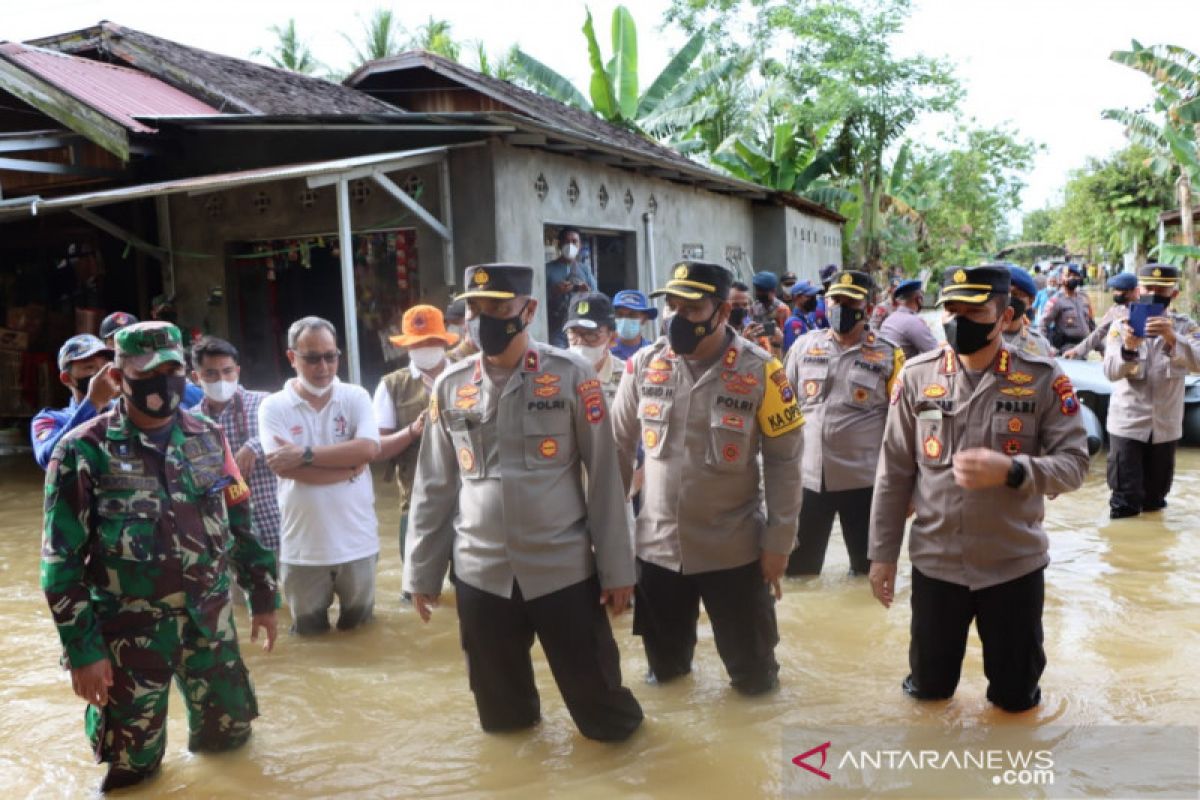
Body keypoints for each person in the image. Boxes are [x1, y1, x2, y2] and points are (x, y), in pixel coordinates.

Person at [405, 264, 643, 741]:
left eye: (497, 306)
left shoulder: (571, 375)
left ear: (528, 310)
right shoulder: (451, 386)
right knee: (503, 720)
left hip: (563, 570)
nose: (481, 319)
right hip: (480, 573)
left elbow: (603, 479)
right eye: (473, 308)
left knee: (603, 711)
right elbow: (433, 485)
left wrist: (619, 572)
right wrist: (421, 572)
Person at [41, 321, 279, 793]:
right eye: (148, 370)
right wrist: (83, 651)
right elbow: (60, 564)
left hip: (211, 626)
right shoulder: (81, 451)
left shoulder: (209, 437)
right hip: (130, 640)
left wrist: (263, 593)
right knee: (134, 771)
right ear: (120, 374)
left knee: (230, 747)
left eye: (172, 369)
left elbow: (238, 520)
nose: (163, 381)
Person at [869, 266, 1089, 713]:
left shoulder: (1043, 378)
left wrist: (1012, 470)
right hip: (936, 565)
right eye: (951, 308)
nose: (959, 319)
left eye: (975, 309)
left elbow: (1075, 465)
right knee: (928, 695)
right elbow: (893, 472)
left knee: (1015, 701)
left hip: (1013, 566)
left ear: (1005, 315)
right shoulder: (915, 377)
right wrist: (882, 555)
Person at [612, 260, 805, 696]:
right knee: (666, 678)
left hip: (733, 552)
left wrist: (779, 544)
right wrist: (608, 544)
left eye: (691, 309)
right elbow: (616, 452)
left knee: (755, 681)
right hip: (658, 552)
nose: (676, 318)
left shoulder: (762, 371)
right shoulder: (643, 366)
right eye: (672, 306)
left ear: (721, 312)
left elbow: (785, 461)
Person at [259, 316, 381, 635]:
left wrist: (306, 454)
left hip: (358, 543)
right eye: (312, 358)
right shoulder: (273, 407)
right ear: (292, 358)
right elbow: (284, 467)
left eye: (331, 356)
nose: (324, 367)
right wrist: (350, 466)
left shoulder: (356, 397)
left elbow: (368, 449)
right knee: (308, 636)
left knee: (362, 636)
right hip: (302, 548)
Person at [784, 270, 904, 576]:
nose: (841, 307)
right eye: (835, 300)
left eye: (850, 301)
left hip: (862, 482)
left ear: (867, 304)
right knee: (799, 574)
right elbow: (786, 411)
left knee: (866, 575)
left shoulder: (889, 354)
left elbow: (901, 424)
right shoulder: (803, 347)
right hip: (809, 479)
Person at [1102, 264, 1200, 518]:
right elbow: (1111, 371)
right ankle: (1125, 555)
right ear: (1137, 292)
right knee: (1125, 502)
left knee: (1156, 502)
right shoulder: (1121, 326)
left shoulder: (1186, 328)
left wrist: (1172, 338)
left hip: (1165, 428)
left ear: (1174, 293)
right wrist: (1129, 349)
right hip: (1128, 426)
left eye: (1161, 289)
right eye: (1148, 288)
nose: (1154, 294)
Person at [373, 305, 458, 566]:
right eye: (418, 342)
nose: (425, 346)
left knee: (468, 582)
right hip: (415, 497)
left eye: (431, 340)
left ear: (443, 341)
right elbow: (377, 449)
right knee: (414, 584)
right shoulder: (392, 385)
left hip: (468, 496)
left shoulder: (467, 374)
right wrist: (412, 431)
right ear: (407, 346)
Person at [191, 336, 281, 554]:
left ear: (238, 372)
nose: (221, 379)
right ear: (196, 377)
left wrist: (255, 445)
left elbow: (295, 432)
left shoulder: (265, 404)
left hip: (275, 526)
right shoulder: (190, 422)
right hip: (222, 538)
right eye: (211, 373)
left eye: (227, 371)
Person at [31, 334, 120, 469]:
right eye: (89, 367)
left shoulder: (123, 411)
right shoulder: (50, 419)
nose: (102, 373)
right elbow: (48, 458)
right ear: (67, 378)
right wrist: (93, 404)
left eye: (105, 365)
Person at [565, 292, 625, 402]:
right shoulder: (555, 372)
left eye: (591, 334)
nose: (581, 342)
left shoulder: (627, 377)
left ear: (612, 338)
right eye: (573, 334)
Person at [1063, 272, 1138, 360]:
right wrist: (1077, 351)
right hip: (1122, 359)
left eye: (1118, 290)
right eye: (1114, 289)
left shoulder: (1144, 310)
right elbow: (1098, 333)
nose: (1114, 293)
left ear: (1132, 291)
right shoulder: (1115, 310)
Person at [545, 227, 598, 348]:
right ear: (559, 244)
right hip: (556, 329)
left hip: (580, 328)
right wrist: (554, 292)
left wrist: (586, 293)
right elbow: (539, 298)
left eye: (574, 241)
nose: (570, 245)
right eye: (566, 241)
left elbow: (597, 297)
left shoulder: (585, 270)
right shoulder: (548, 269)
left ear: (579, 245)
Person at [879, 279, 939, 360]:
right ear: (919, 299)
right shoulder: (914, 322)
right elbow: (935, 351)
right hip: (903, 371)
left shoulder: (889, 319)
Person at [1002, 266, 1055, 358]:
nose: (1009, 299)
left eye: (1015, 294)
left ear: (1031, 301)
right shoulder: (982, 339)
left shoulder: (1040, 345)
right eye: (1004, 293)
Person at [1038, 264, 1094, 349]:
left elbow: (1092, 324)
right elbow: (1043, 324)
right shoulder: (1056, 300)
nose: (1072, 278)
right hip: (1064, 347)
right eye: (1068, 276)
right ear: (1061, 278)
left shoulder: (1084, 298)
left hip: (1083, 347)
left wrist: (1101, 348)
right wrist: (1047, 347)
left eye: (1075, 276)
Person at [611, 289, 657, 360]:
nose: (625, 319)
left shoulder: (653, 353)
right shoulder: (605, 352)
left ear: (644, 319)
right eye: (620, 314)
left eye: (632, 315)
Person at [749, 271, 789, 351]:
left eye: (762, 291)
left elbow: (785, 337)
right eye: (757, 290)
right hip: (757, 350)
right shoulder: (754, 307)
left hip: (776, 351)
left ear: (772, 291)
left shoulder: (782, 310)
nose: (758, 293)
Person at [782, 281, 821, 352]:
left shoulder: (809, 318)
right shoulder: (793, 323)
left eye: (814, 296)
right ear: (797, 298)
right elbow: (793, 353)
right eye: (809, 296)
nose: (814, 299)